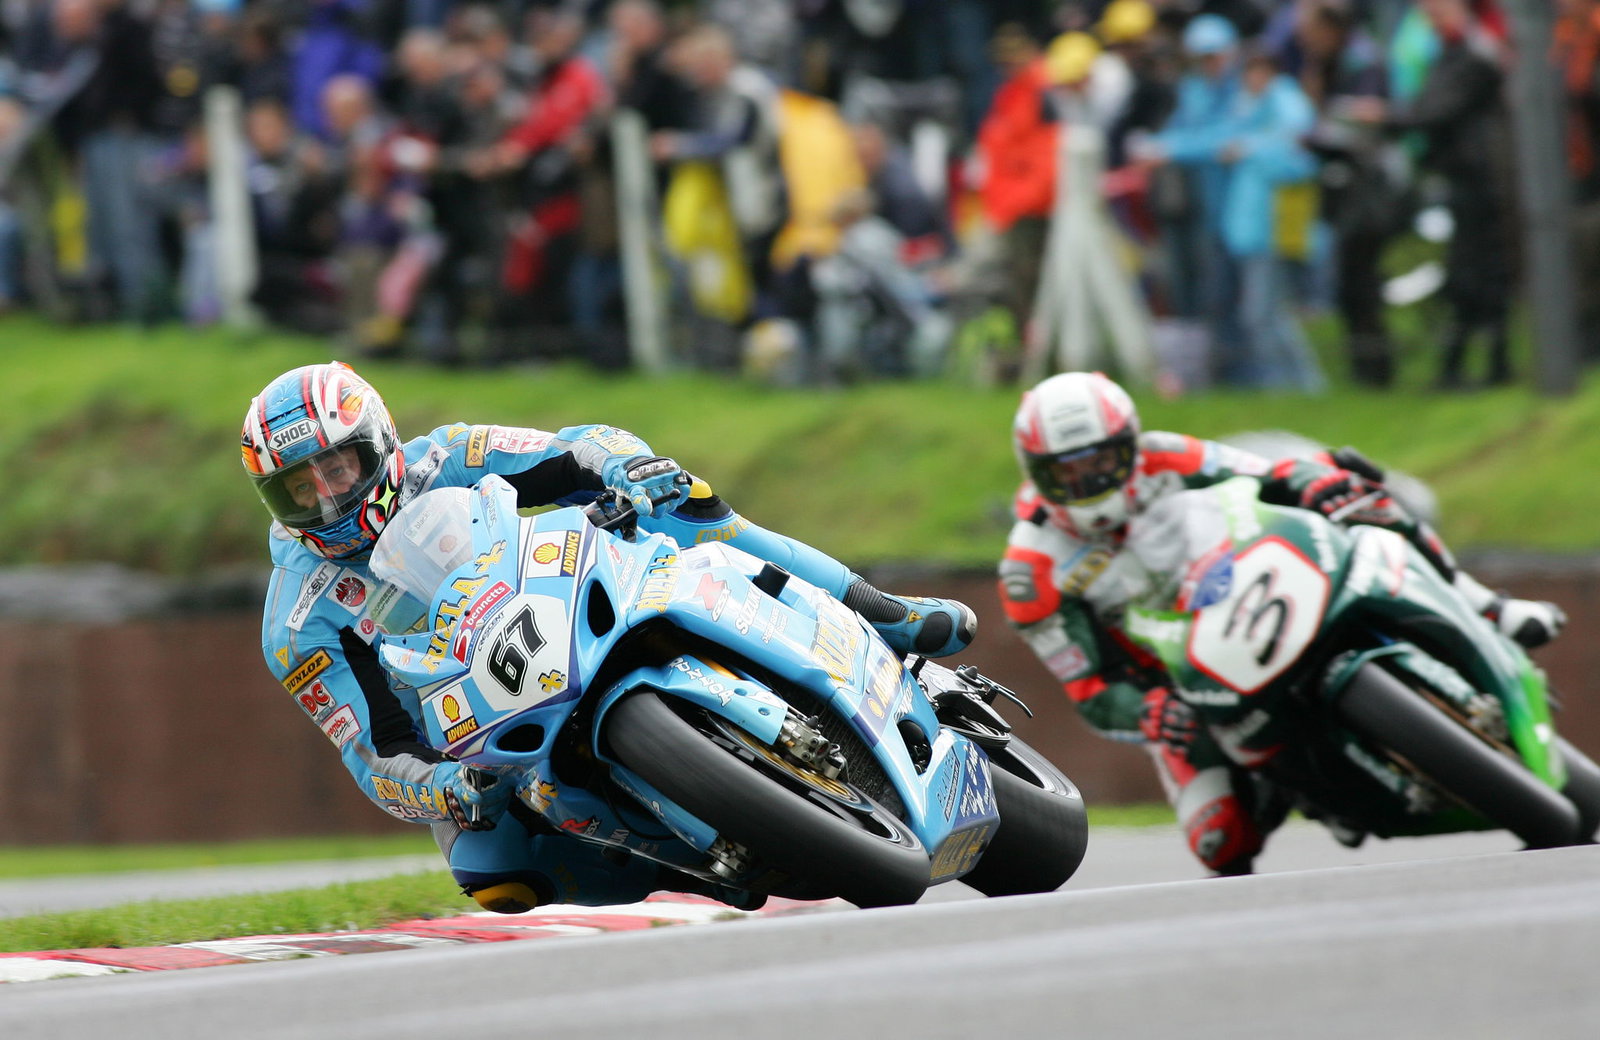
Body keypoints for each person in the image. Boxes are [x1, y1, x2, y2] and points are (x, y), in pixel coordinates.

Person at [243, 361, 975, 912]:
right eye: (300, 488)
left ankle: (883, 611)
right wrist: (449, 789)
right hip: (485, 726)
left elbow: (576, 448)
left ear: (378, 441)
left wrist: (630, 467)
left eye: (337, 467)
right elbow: (375, 752)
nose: (329, 496)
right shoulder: (298, 624)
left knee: (692, 506)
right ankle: (702, 862)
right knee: (494, 877)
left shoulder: (451, 457)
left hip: (575, 594)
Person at [997, 371, 1567, 874]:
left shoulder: (1166, 455)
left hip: (1258, 590)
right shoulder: (1030, 572)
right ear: (1036, 474)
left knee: (1363, 497)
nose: (1089, 484)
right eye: (1066, 473)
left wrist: (1315, 482)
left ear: (1129, 444)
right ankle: (1291, 784)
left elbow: (1270, 474)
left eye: (1102, 462)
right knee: (1220, 842)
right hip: (1186, 683)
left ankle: (1487, 605)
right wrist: (1149, 709)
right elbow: (1091, 690)